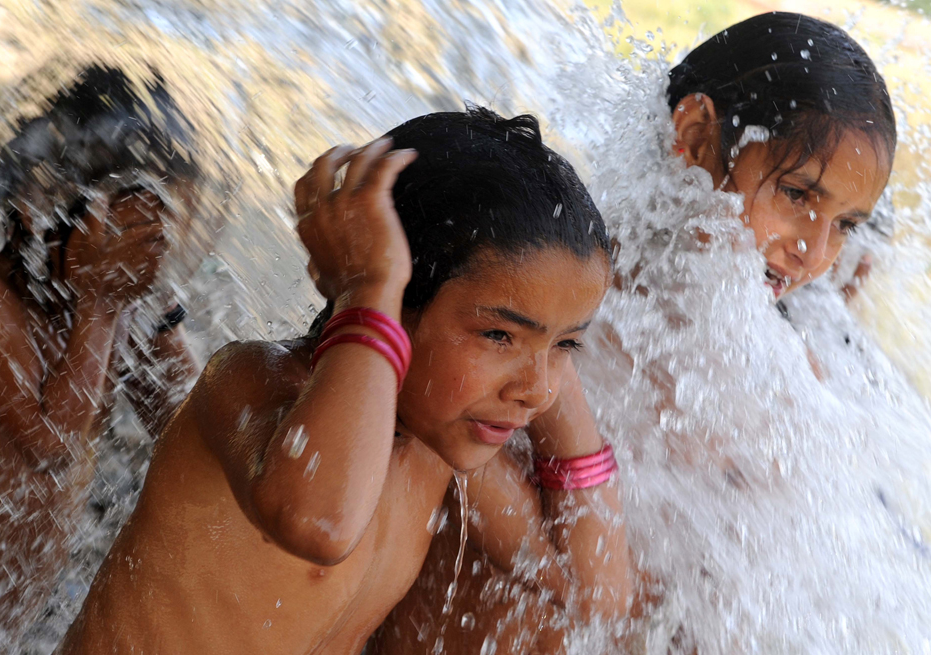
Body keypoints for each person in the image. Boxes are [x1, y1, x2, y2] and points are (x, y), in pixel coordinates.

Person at [372, 12, 895, 655]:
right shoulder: (542, 308)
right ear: (696, 134)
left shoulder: (785, 381)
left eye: (845, 224)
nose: (814, 251)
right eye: (795, 193)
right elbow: (585, 588)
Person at [57, 107, 634, 654]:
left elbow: (596, 595)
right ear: (393, 299)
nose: (536, 389)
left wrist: (548, 336)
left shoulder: (438, 452)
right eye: (499, 336)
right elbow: (321, 522)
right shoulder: (251, 382)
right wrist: (366, 288)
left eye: (567, 346)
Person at [0, 65, 202, 652]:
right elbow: (49, 443)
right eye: (136, 224)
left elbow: (191, 431)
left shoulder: (129, 312)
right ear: (39, 200)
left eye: (161, 232)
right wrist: (101, 301)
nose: (152, 249)